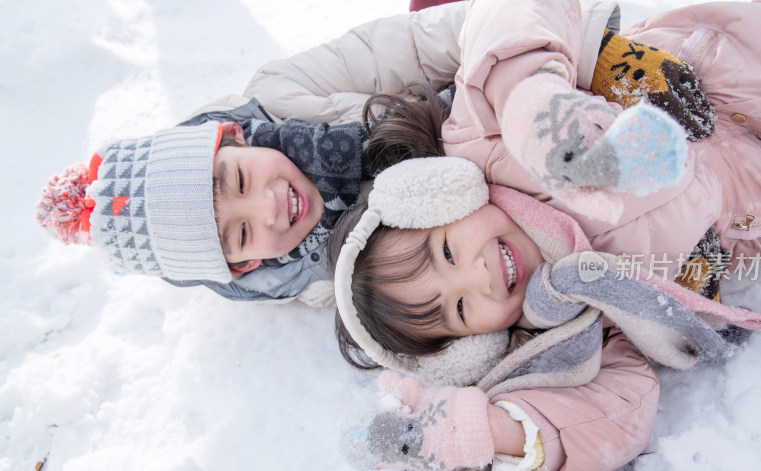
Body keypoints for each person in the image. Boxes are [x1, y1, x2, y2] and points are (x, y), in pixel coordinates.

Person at [330, 0, 761, 471]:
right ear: (473, 346)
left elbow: (509, 18)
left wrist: (533, 108)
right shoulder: (575, 326)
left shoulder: (483, 143)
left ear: (441, 198)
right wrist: (497, 429)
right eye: (460, 307)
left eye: (446, 251)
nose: (478, 276)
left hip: (743, 52)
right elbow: (622, 405)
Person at [34, 0, 708, 307]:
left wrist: (574, 56)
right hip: (496, 200)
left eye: (236, 179)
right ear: (244, 265)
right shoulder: (309, 282)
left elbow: (431, 41)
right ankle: (680, 256)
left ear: (234, 137)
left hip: (483, 96)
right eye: (241, 232)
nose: (268, 206)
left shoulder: (282, 94)